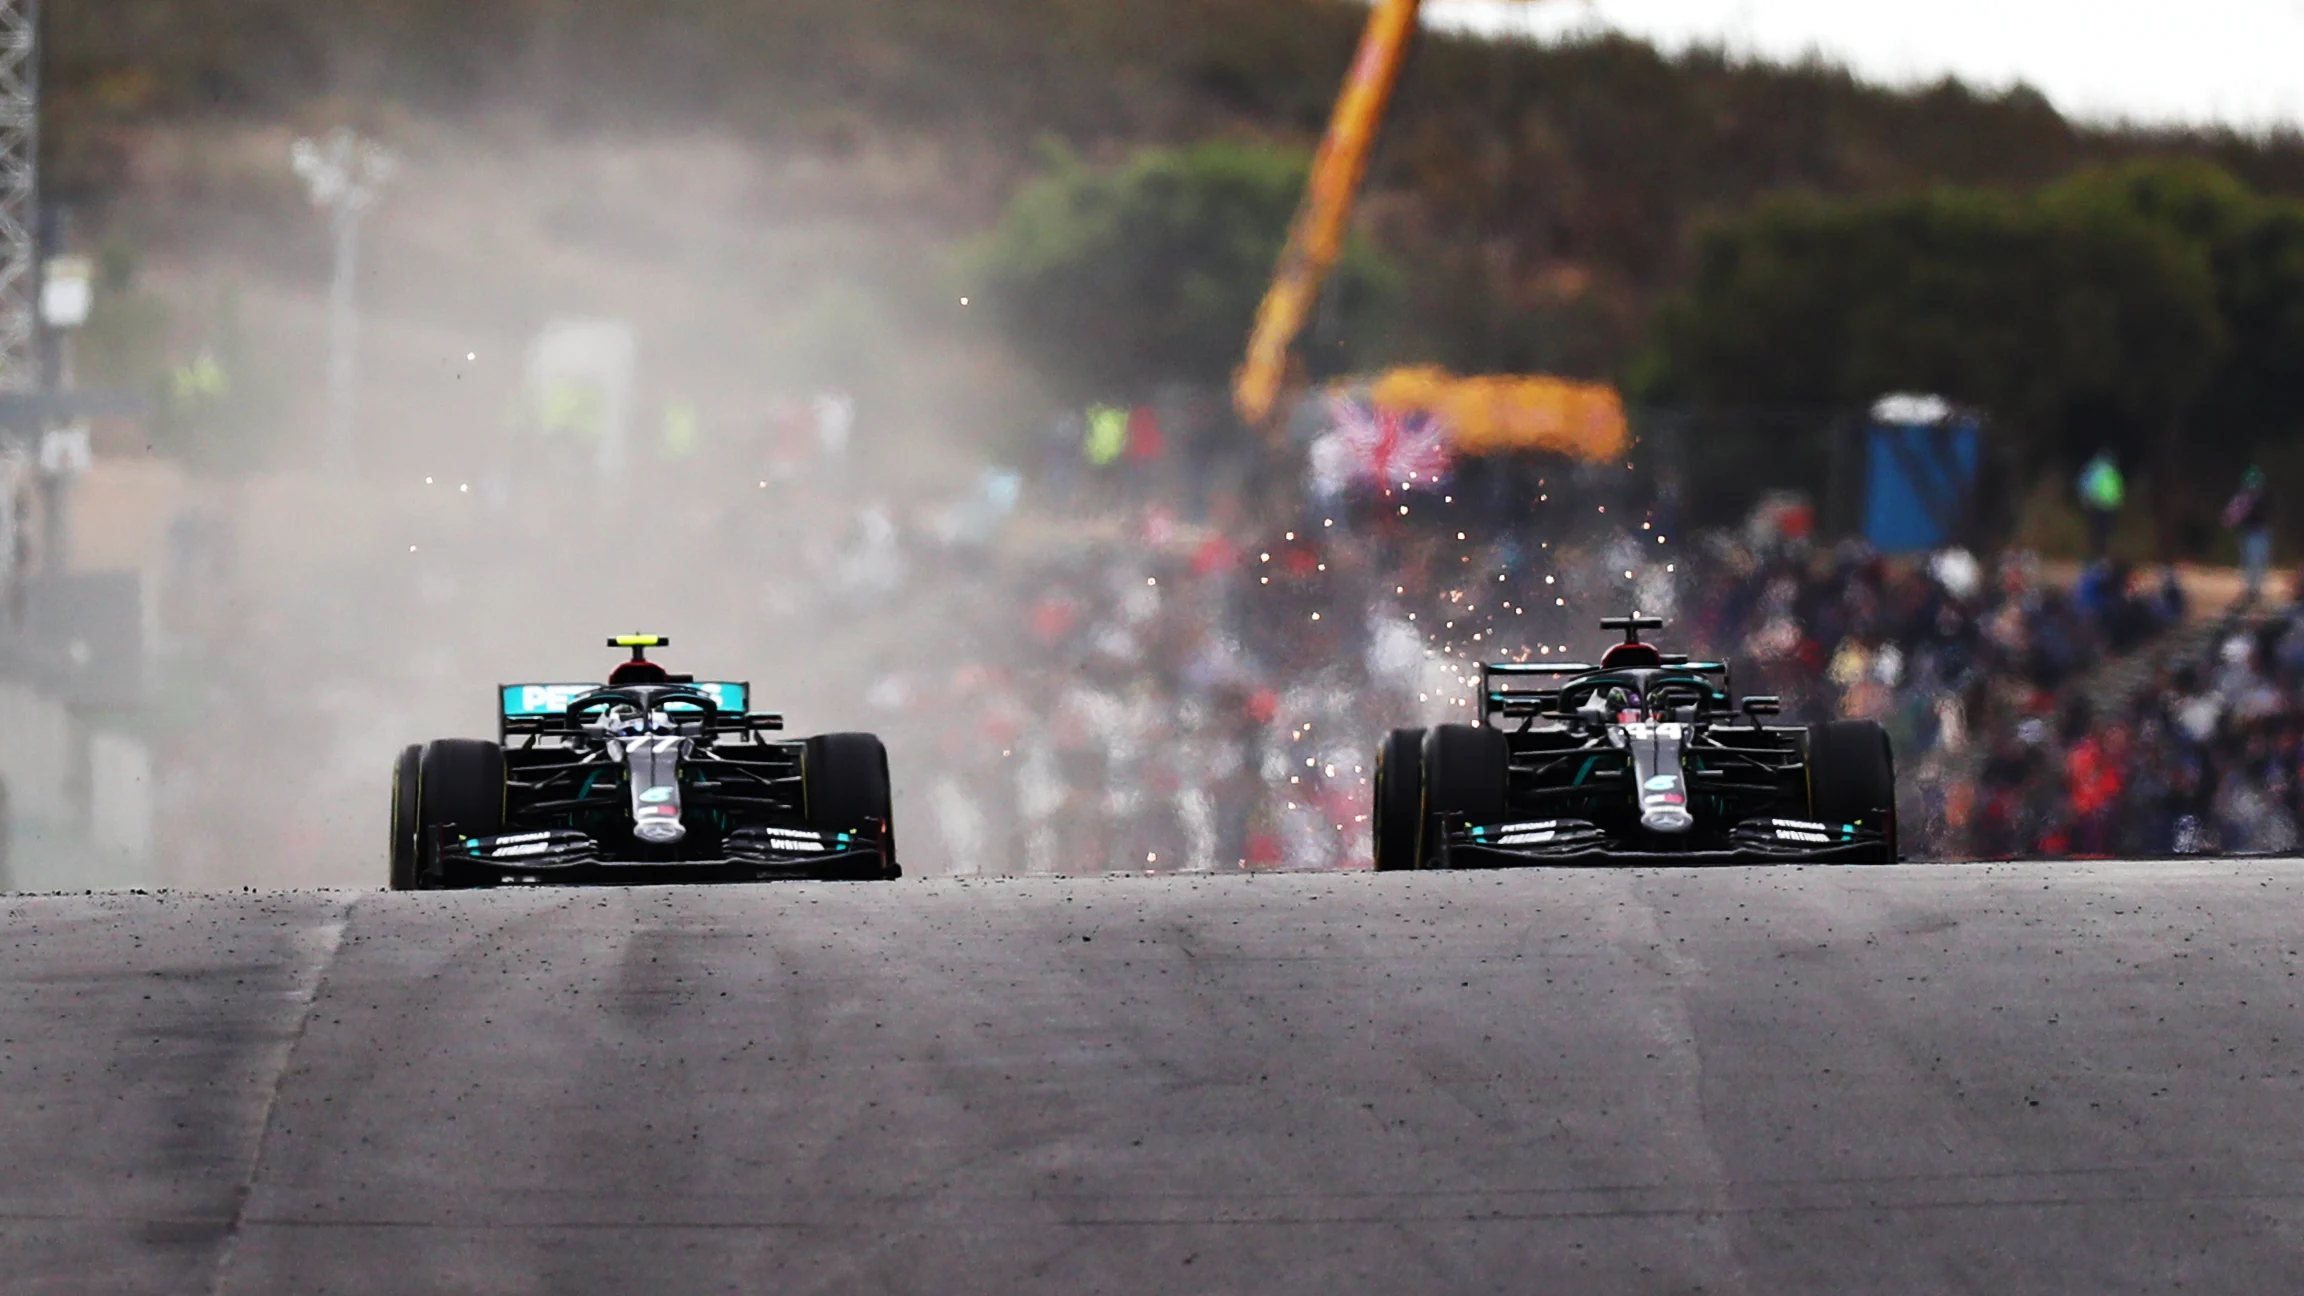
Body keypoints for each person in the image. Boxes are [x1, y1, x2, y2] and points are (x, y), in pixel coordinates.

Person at [2223, 466, 2272, 607]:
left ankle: (2255, 591)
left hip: (2259, 533)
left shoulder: (2260, 498)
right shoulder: (2243, 499)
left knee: (2258, 562)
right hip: (2249, 534)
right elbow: (2230, 516)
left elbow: (2230, 517)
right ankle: (2251, 591)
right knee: (2249, 562)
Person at [2076, 451, 2125, 560]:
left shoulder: (2111, 472)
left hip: (2108, 506)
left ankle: (2102, 555)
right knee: (2098, 532)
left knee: (2105, 532)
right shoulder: (2095, 471)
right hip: (2099, 505)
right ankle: (2097, 555)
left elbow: (2118, 489)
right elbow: (2085, 486)